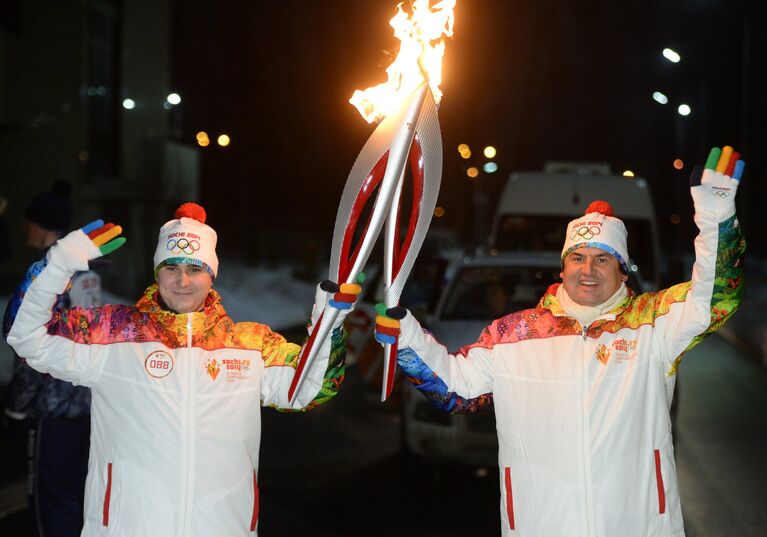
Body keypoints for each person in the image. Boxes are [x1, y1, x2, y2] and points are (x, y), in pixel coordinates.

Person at [376, 146, 746, 536]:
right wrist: (408, 338)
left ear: (622, 273)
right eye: (578, 258)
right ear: (563, 267)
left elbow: (717, 297)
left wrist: (716, 214)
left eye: (603, 260)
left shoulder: (654, 325)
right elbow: (456, 388)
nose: (588, 270)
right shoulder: (513, 335)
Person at [7, 202, 358, 536]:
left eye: (195, 269)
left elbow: (313, 388)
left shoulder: (249, 345)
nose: (182, 281)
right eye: (171, 268)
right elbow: (26, 335)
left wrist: (330, 325)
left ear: (211, 275)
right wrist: (57, 265)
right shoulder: (113, 334)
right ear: (158, 272)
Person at [3, 180, 97, 537]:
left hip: (49, 408)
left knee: (47, 500)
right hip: (82, 406)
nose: (23, 227)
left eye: (28, 220)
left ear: (39, 224)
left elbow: (33, 350)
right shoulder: (86, 274)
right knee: (70, 496)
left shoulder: (47, 278)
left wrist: (16, 406)